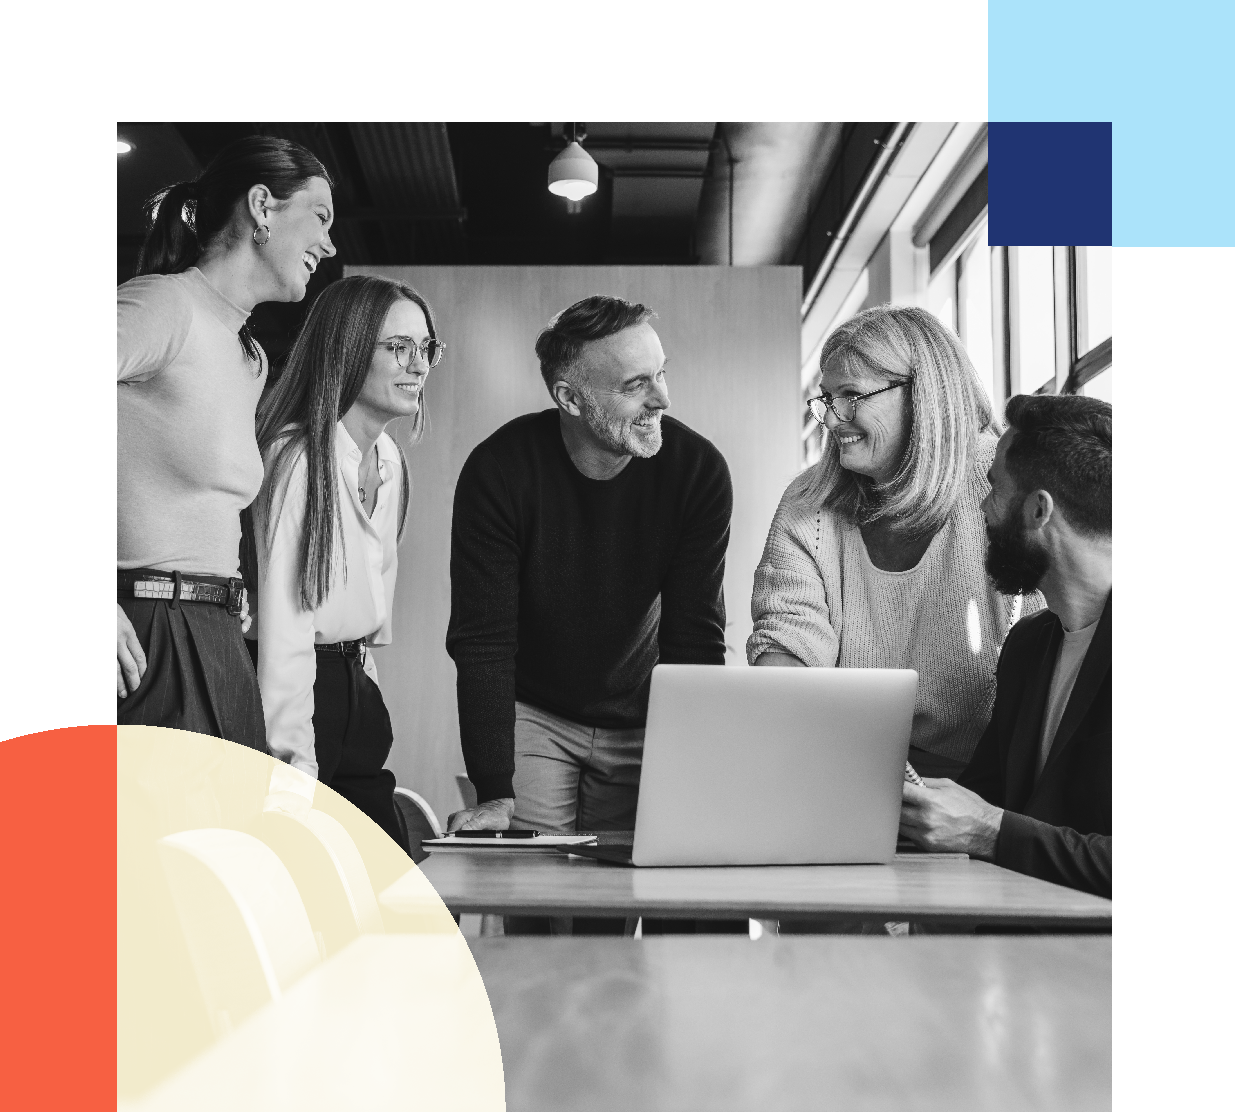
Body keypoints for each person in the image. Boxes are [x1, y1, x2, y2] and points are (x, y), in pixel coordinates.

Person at [444, 295, 733, 836]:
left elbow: (695, 637)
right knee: (537, 897)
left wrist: (693, 771)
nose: (663, 399)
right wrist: (493, 789)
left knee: (626, 889)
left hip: (648, 712)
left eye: (661, 374)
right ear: (570, 399)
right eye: (635, 385)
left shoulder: (698, 472)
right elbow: (483, 641)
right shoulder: (499, 471)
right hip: (536, 713)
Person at [747, 305, 1041, 778]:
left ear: (922, 395)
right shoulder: (809, 502)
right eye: (826, 399)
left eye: (851, 396)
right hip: (849, 770)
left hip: (991, 780)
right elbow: (788, 638)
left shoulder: (1001, 483)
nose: (833, 419)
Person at [117, 135, 336, 747]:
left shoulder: (251, 358)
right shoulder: (164, 306)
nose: (330, 243)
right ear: (263, 207)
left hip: (215, 634)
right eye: (319, 217)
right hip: (144, 634)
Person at [247, 275, 443, 849]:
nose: (418, 365)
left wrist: (367, 695)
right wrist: (292, 773)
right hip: (299, 694)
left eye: (426, 348)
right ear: (349, 348)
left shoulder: (390, 461)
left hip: (353, 688)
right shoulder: (296, 459)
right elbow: (284, 635)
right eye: (399, 348)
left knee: (388, 883)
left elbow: (369, 615)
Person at [899, 394, 1111, 897]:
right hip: (1014, 949)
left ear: (1038, 509)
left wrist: (993, 831)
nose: (983, 507)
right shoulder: (1028, 645)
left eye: (993, 488)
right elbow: (980, 801)